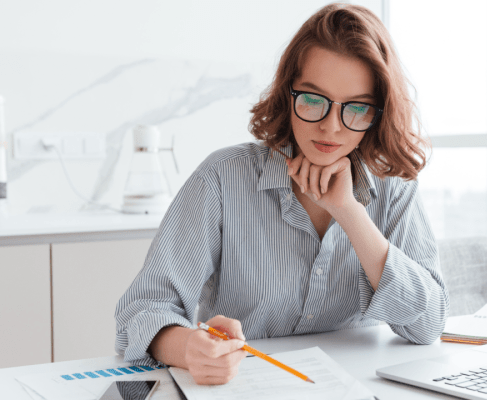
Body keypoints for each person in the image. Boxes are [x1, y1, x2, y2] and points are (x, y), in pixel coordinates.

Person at [115, 3, 448, 386]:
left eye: (356, 108)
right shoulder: (223, 178)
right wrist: (189, 347)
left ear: (378, 111)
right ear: (287, 94)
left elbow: (429, 324)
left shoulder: (393, 186)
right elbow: (141, 312)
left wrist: (350, 213)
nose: (330, 127)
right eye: (312, 100)